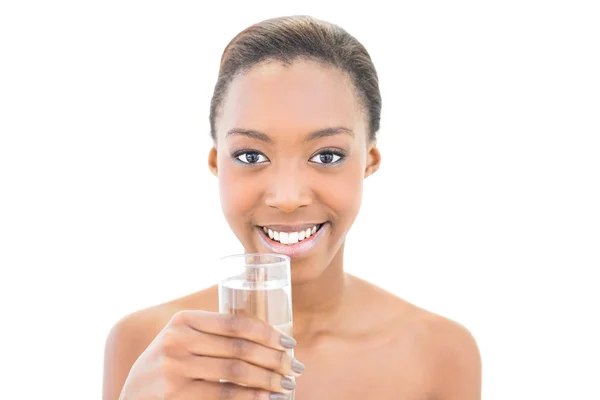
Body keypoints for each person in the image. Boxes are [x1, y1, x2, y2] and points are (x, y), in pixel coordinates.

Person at [102, 15, 482, 400]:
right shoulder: (146, 348)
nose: (287, 198)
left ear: (369, 160)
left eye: (327, 155)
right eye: (251, 156)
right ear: (217, 163)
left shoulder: (442, 353)